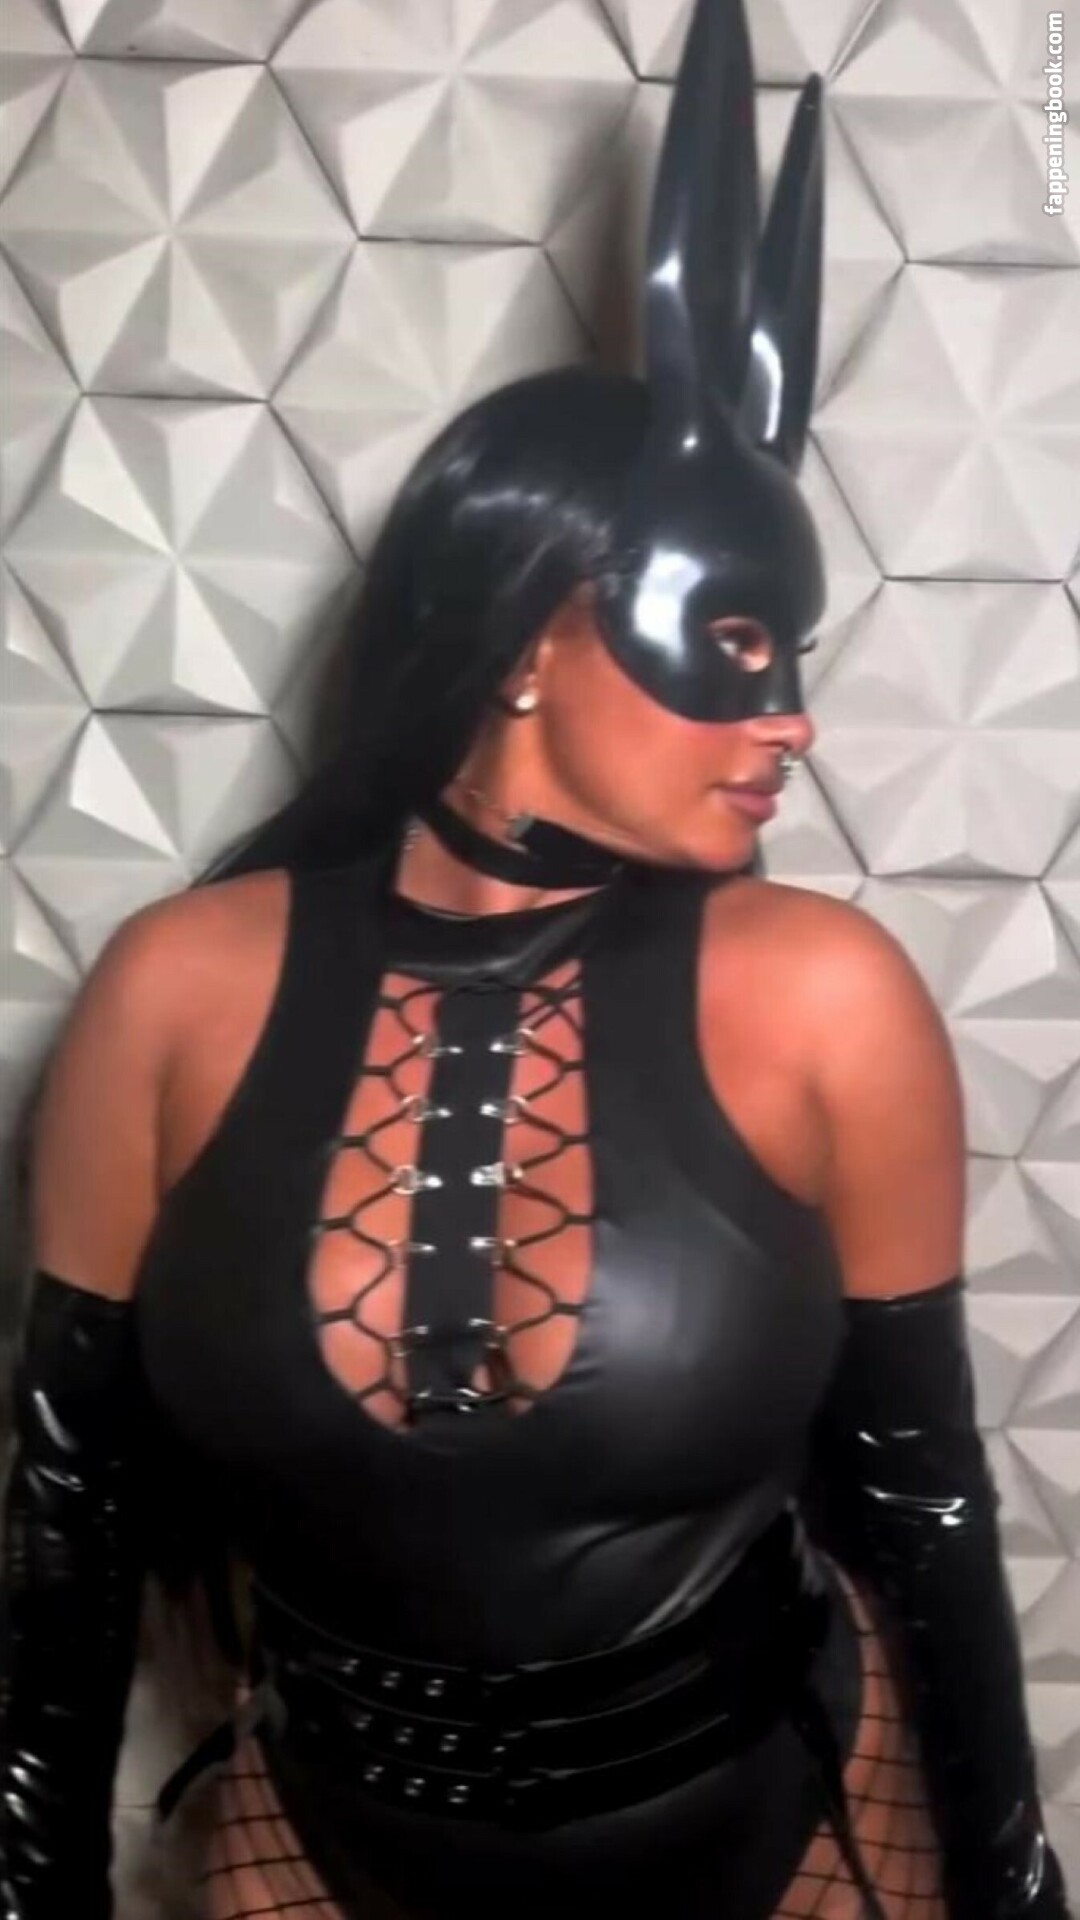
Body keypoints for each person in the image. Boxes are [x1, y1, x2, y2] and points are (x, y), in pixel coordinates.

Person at [0, 2, 1069, 1917]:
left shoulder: (822, 1001)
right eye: (733, 644)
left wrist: (1011, 1891)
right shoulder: (174, 996)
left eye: (792, 654)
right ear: (523, 635)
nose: (792, 717)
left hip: (796, 1839)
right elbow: (67, 1507)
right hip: (324, 1844)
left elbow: (922, 1501)